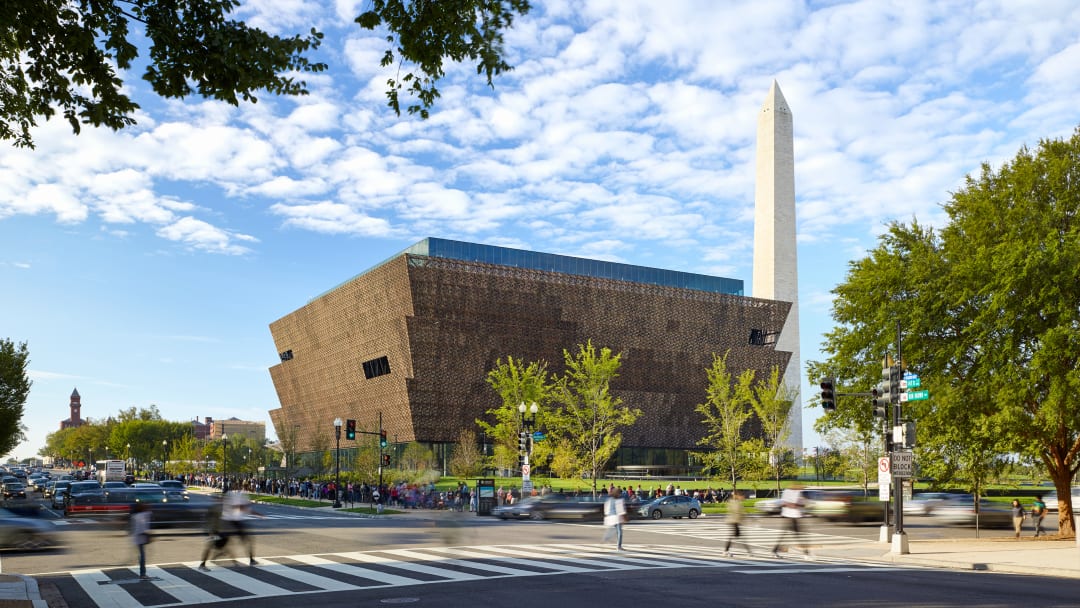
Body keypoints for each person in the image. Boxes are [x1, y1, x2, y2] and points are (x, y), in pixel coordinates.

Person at [221, 489, 261, 566]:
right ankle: (250, 560)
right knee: (246, 541)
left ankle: (250, 559)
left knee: (228, 542)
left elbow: (239, 508)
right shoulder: (232, 496)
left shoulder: (229, 496)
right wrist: (249, 504)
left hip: (228, 522)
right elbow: (239, 508)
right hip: (233, 522)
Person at [772, 484, 809, 558]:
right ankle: (806, 554)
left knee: (786, 536)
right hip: (792, 517)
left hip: (792, 516)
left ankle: (775, 550)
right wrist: (794, 504)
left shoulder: (793, 492)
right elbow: (784, 503)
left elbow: (801, 504)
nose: (800, 488)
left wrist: (799, 504)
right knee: (799, 536)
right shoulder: (791, 492)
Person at [198, 495, 226, 570]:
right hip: (213, 531)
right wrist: (211, 532)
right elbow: (211, 520)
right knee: (209, 547)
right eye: (222, 499)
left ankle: (210, 560)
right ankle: (202, 564)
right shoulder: (216, 508)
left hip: (217, 531)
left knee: (223, 544)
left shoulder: (218, 507)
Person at [723, 491, 751, 557]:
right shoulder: (734, 502)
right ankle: (726, 551)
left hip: (735, 522)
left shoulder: (737, 502)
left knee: (737, 536)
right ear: (739, 496)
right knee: (737, 537)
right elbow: (737, 512)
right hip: (733, 522)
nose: (744, 498)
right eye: (743, 497)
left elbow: (741, 513)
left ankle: (726, 551)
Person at [130, 502, 152, 579]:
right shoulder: (141, 516)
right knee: (142, 556)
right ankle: (142, 574)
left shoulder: (137, 515)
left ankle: (143, 573)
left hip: (138, 538)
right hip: (140, 538)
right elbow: (141, 528)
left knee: (142, 555)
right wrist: (147, 534)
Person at [602, 487, 627, 551]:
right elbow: (621, 510)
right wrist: (624, 518)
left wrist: (606, 515)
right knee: (619, 532)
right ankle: (619, 546)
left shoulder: (609, 499)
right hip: (617, 518)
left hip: (610, 517)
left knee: (613, 530)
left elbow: (606, 508)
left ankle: (606, 538)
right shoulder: (619, 500)